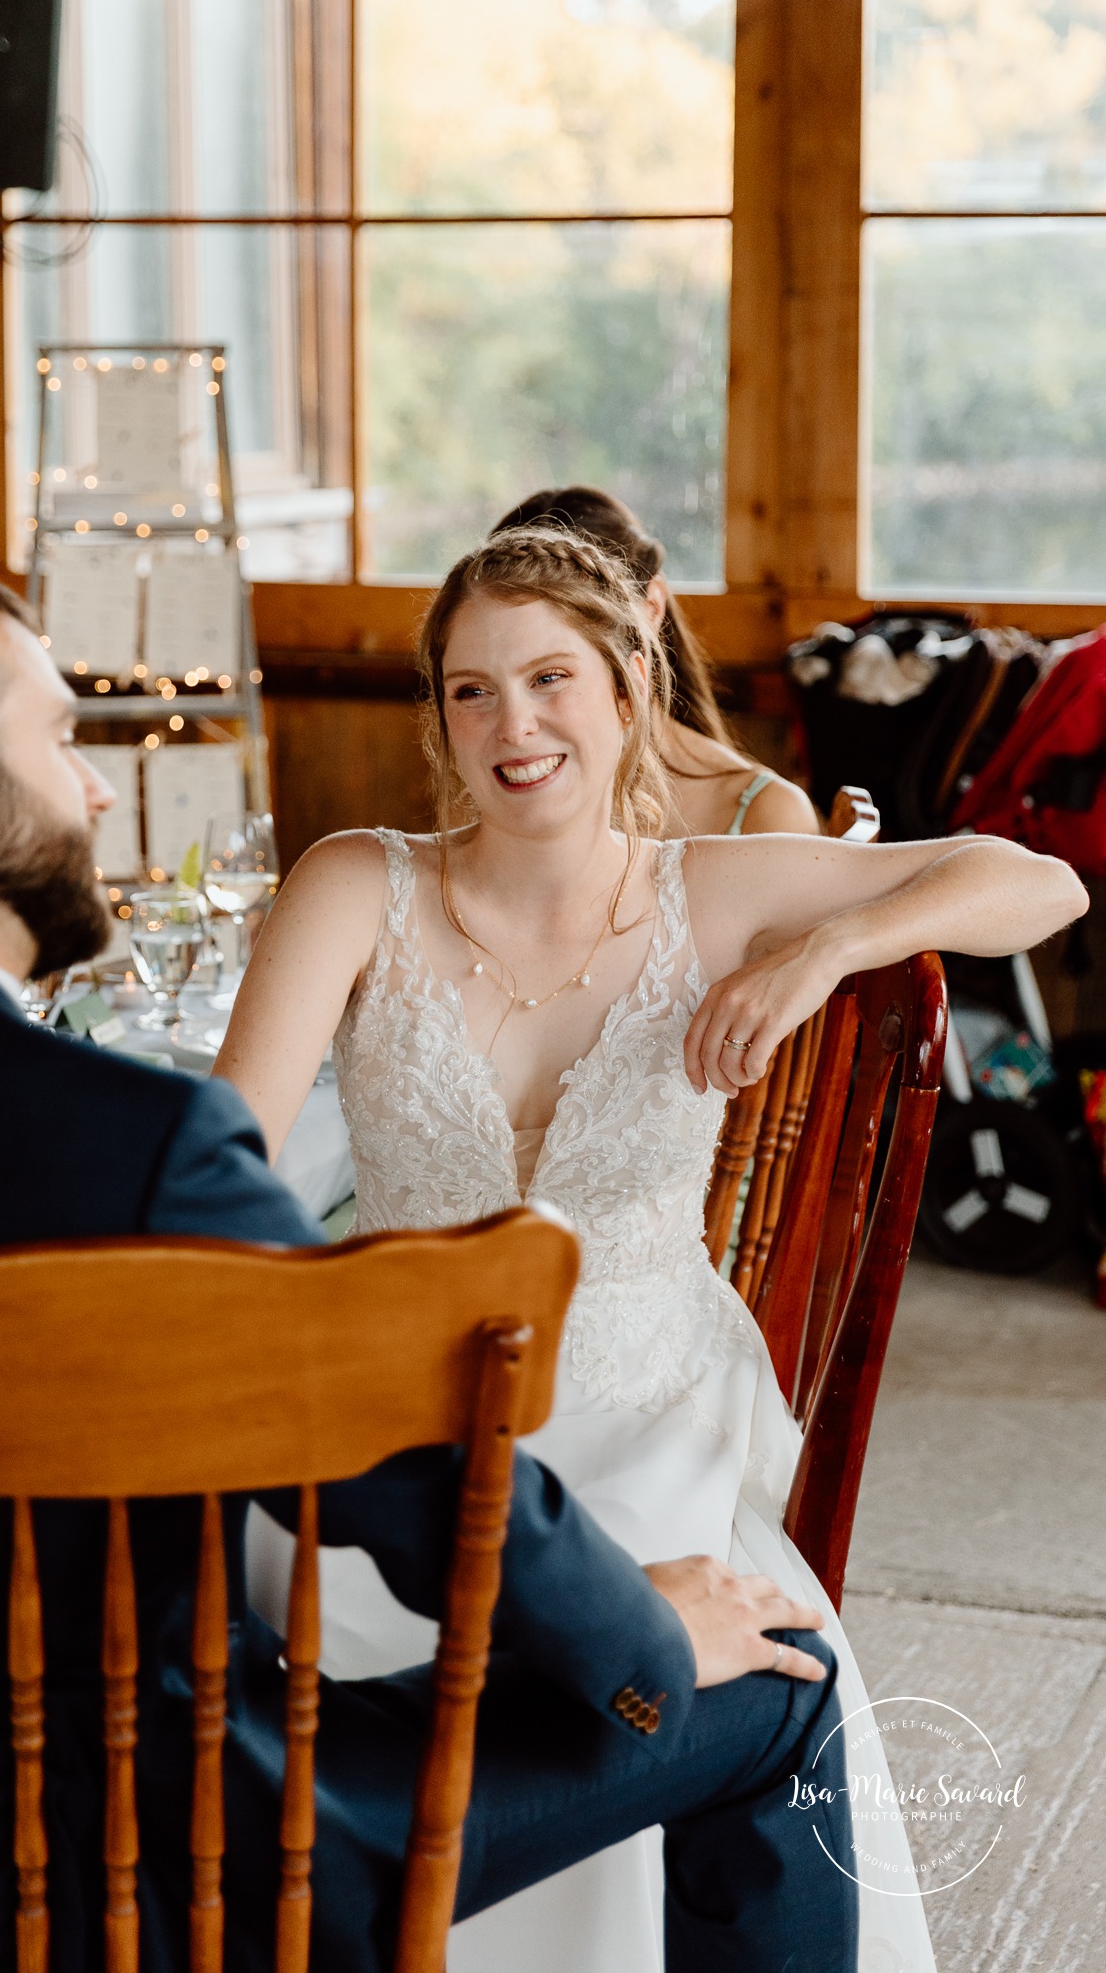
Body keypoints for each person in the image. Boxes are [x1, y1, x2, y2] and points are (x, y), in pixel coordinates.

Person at [0, 554, 859, 1973]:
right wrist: (643, 1634)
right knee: (782, 1691)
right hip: (161, 1867)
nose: (93, 793)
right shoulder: (136, 1147)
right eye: (61, 740)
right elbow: (421, 1476)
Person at [215, 524, 1088, 1973]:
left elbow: (1034, 882)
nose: (514, 725)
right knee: (351, 1618)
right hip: (407, 1426)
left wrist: (828, 948)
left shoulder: (715, 886)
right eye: (471, 691)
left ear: (627, 685)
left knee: (701, 1638)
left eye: (550, 677)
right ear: (436, 715)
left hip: (641, 1395)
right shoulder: (356, 882)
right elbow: (216, 1166)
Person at [495, 486, 818, 837]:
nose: (514, 727)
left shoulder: (767, 814)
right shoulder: (508, 778)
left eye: (551, 675)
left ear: (651, 606)